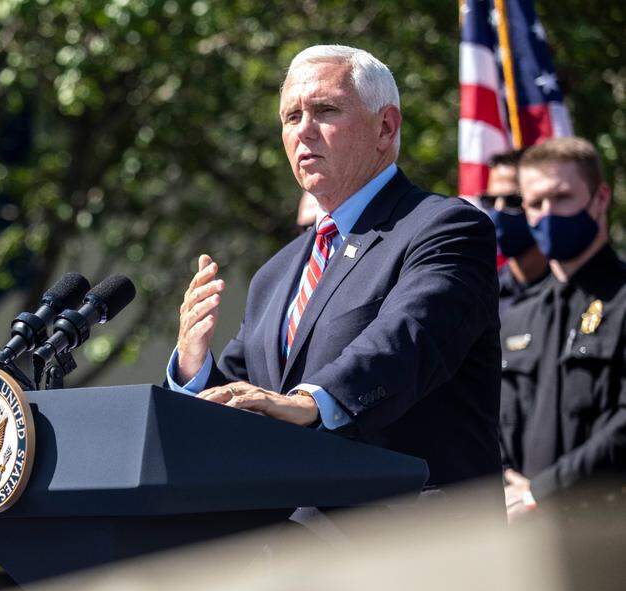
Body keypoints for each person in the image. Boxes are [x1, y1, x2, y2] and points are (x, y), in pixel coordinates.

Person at [166, 45, 502, 495]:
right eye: (290, 117)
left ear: (385, 127)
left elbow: (407, 342)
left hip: (414, 539)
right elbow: (245, 395)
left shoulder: (445, 228)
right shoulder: (277, 272)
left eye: (325, 110)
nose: (303, 131)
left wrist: (310, 402)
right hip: (291, 545)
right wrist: (192, 369)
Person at [499, 136, 625, 520]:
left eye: (563, 197)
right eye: (535, 204)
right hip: (523, 529)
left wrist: (543, 492)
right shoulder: (518, 315)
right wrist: (505, 482)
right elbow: (491, 421)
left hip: (604, 528)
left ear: (600, 199)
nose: (548, 213)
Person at [482, 150, 549, 313]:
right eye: (490, 201)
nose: (498, 210)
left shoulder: (572, 289)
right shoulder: (484, 295)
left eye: (512, 201)